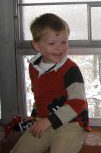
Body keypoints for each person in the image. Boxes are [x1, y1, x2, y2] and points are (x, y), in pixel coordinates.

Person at [11, 13, 90, 153]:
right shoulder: (34, 67)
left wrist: (49, 121)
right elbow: (40, 96)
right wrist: (36, 115)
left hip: (71, 124)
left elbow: (78, 103)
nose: (59, 48)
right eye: (52, 43)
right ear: (37, 45)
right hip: (43, 121)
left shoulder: (70, 70)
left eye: (64, 42)